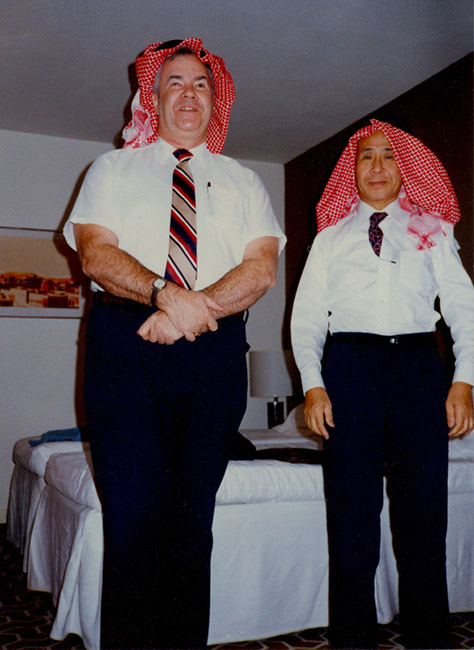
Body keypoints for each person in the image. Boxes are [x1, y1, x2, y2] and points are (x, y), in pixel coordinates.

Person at [64, 38, 285, 650]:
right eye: (176, 82)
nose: (189, 93)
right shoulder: (110, 170)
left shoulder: (244, 180)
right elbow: (97, 253)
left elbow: (261, 269)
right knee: (133, 524)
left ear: (216, 101)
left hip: (214, 353)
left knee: (193, 527)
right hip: (123, 345)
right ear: (152, 98)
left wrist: (191, 311)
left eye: (201, 84)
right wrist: (165, 296)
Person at [291, 118, 474, 649]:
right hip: (349, 369)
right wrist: (313, 384)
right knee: (351, 516)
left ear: (405, 169)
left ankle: (430, 639)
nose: (376, 166)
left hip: (418, 369)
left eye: (389, 156)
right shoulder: (329, 238)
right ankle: (352, 640)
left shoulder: (433, 231)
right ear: (353, 169)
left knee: (423, 517)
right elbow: (306, 320)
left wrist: (462, 381)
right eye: (366, 156)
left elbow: (462, 309)